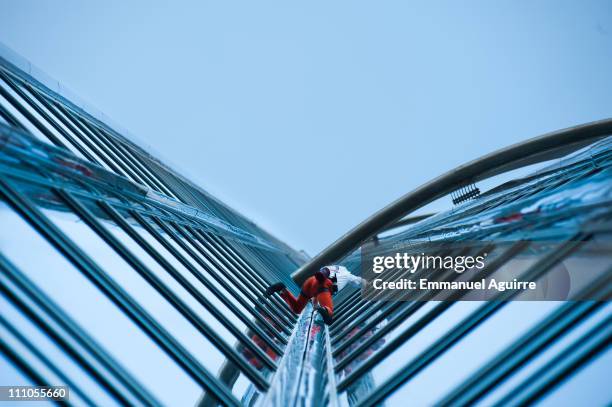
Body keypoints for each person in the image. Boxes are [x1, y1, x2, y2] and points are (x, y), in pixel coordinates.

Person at [265, 265, 364, 325]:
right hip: (323, 286)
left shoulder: (335, 267)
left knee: (297, 308)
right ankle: (324, 311)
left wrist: (315, 299)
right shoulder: (348, 275)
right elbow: (359, 281)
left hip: (310, 281)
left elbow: (324, 271)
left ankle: (282, 289)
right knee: (328, 312)